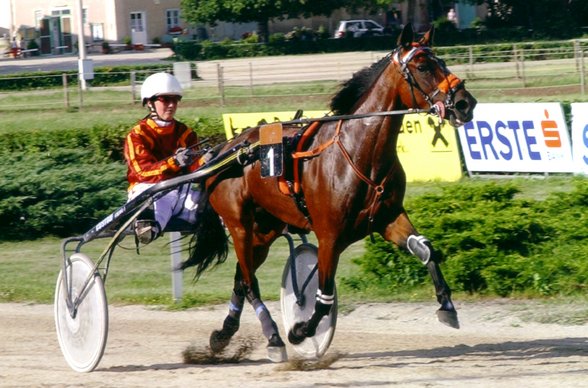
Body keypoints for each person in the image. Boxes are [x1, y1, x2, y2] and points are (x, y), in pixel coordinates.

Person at [124, 72, 208, 244]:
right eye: (165, 100)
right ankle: (146, 224)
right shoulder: (137, 135)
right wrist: (174, 162)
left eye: (175, 100)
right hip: (150, 190)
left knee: (216, 205)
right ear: (150, 102)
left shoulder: (186, 133)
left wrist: (205, 160)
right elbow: (142, 173)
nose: (171, 105)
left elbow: (196, 169)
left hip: (182, 192)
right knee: (155, 211)